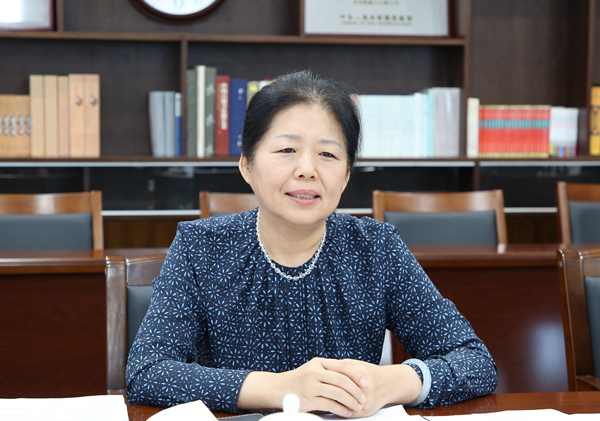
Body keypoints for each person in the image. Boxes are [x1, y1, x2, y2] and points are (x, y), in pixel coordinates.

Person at [126, 70, 497, 417]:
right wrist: (282, 389)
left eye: (328, 154)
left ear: (346, 175)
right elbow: (147, 371)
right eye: (287, 150)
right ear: (247, 166)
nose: (307, 169)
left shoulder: (375, 248)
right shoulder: (201, 247)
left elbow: (474, 361)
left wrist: (392, 382)